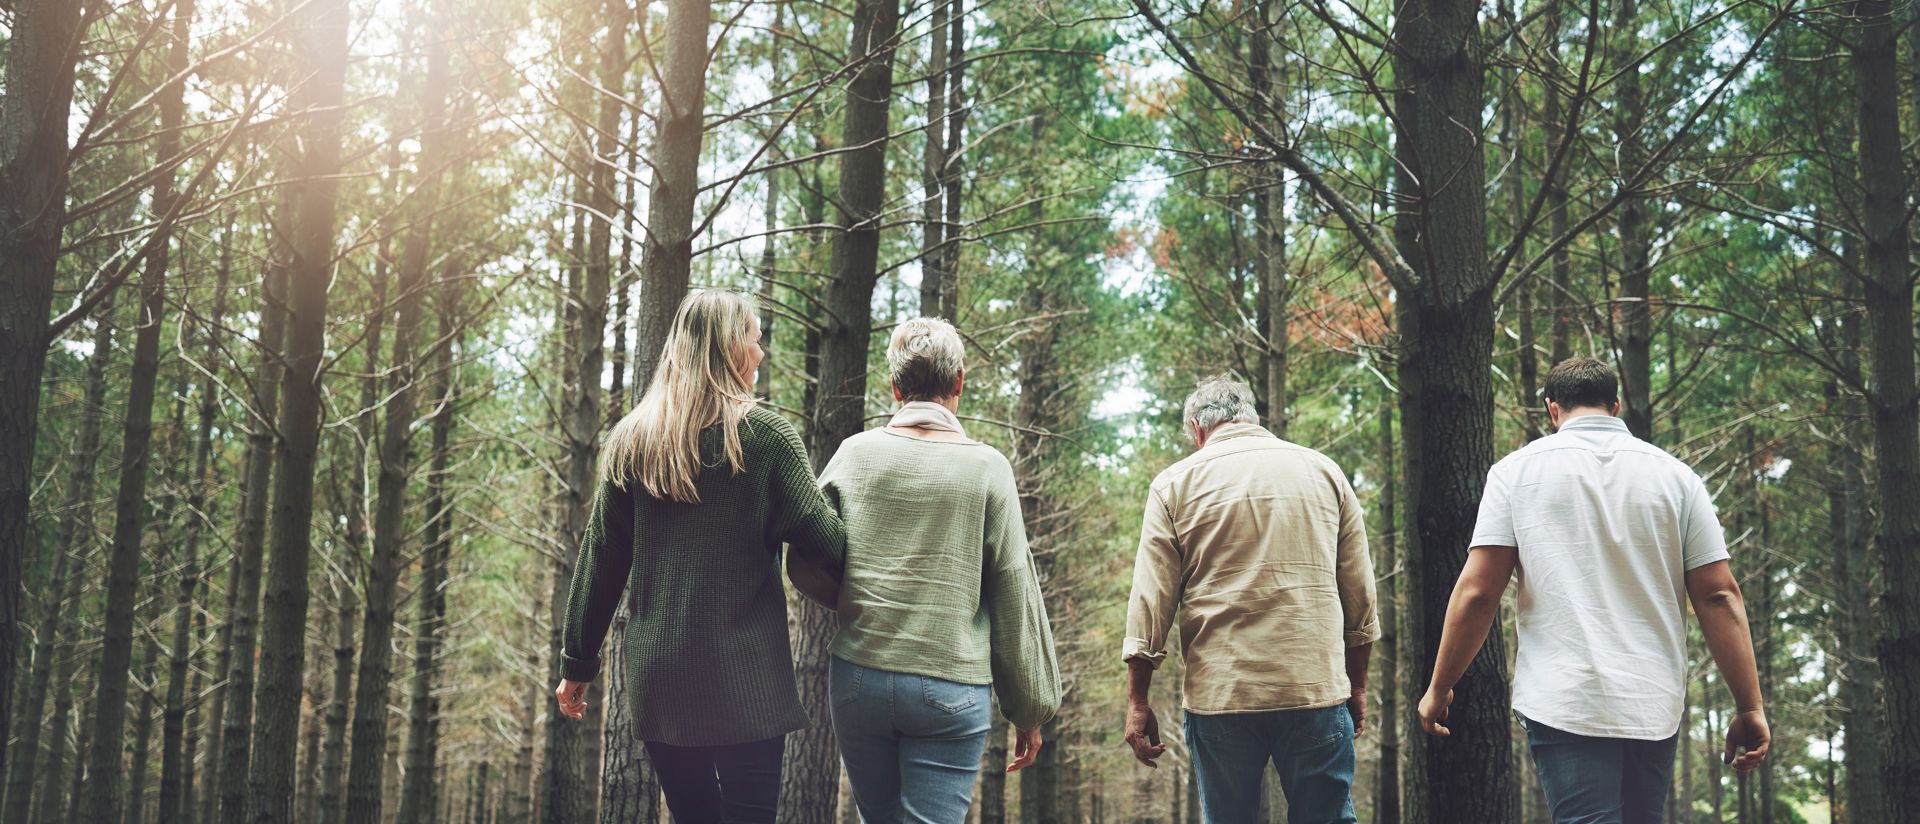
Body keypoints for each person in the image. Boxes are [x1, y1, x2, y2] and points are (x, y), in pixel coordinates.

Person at [1417, 356, 1769, 824]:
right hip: (1652, 699)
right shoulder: (1677, 478)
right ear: (1616, 406)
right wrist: (1749, 705)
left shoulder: (1514, 474)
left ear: (1552, 410)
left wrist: (1440, 685)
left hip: (1566, 697)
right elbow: (1719, 595)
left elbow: (1479, 591)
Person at [551, 289, 846, 824]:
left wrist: (578, 662)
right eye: (756, 340)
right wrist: (843, 496)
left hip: (663, 678)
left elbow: (602, 559)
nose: (761, 354)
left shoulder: (632, 440)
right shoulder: (768, 437)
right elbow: (828, 542)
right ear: (732, 347)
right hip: (746, 677)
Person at [811, 316, 1061, 823]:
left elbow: (806, 556)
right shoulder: (987, 467)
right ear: (960, 382)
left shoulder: (853, 455)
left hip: (859, 678)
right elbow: (1013, 588)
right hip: (951, 685)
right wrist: (1029, 708)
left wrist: (849, 598)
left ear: (895, 385)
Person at [1121, 376, 1377, 824]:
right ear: (1252, 419)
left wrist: (1138, 701)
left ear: (1198, 430)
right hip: (1313, 687)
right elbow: (1359, 595)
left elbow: (1150, 601)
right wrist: (1357, 685)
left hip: (1222, 695)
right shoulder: (1324, 472)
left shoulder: (1173, 485)